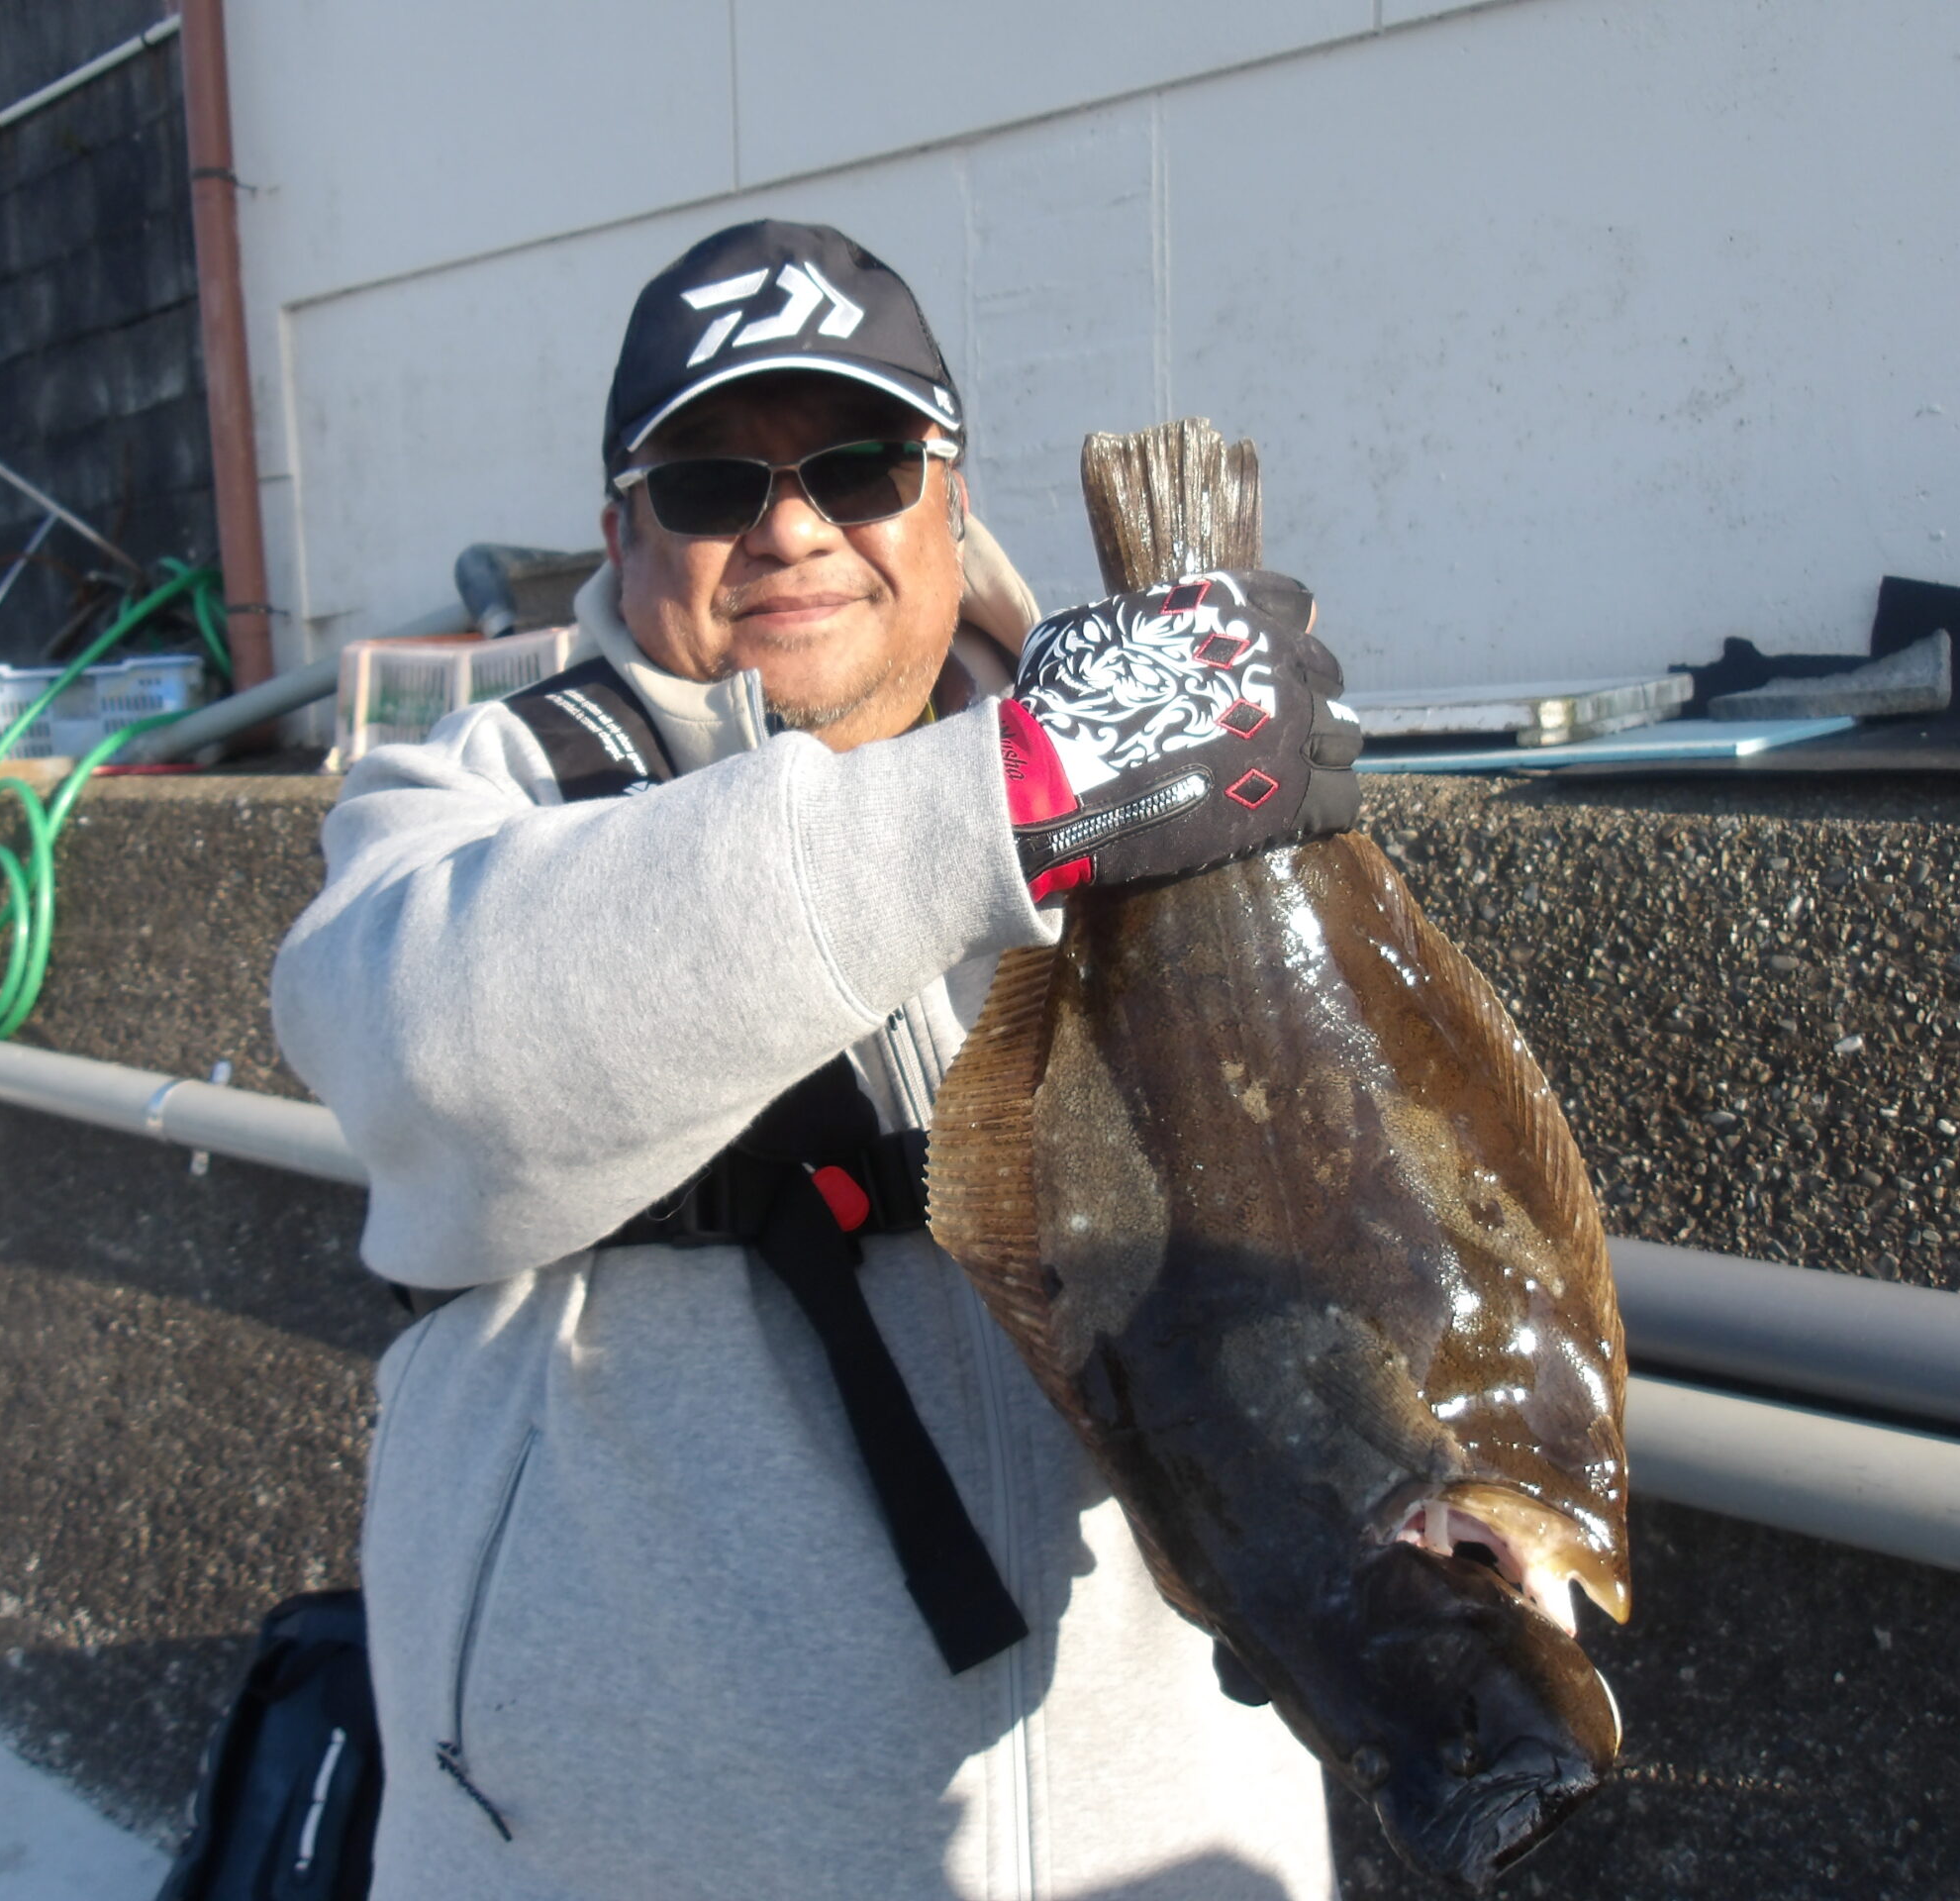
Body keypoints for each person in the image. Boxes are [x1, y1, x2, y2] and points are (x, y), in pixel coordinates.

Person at [272, 220, 1361, 1901]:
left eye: (855, 463)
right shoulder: (479, 795)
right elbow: (424, 1048)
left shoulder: (1171, 788)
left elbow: (1371, 1184)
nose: (790, 527)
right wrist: (1019, 795)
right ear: (621, 534)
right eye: (711, 483)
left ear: (949, 498)